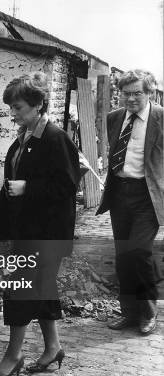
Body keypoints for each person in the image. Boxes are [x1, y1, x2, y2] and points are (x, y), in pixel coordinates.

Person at [0, 72, 80, 376]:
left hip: (45, 233)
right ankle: (52, 348)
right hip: (25, 230)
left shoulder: (55, 138)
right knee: (41, 289)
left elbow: (68, 187)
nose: (13, 114)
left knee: (19, 289)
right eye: (11, 108)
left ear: (38, 105)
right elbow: (9, 186)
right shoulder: (24, 136)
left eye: (18, 108)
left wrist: (28, 187)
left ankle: (13, 355)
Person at [96, 69, 163, 335]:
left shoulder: (160, 117)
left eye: (138, 93)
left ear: (149, 93)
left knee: (139, 252)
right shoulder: (114, 118)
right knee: (124, 256)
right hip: (120, 194)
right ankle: (128, 312)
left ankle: (148, 311)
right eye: (126, 93)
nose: (131, 99)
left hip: (148, 197)